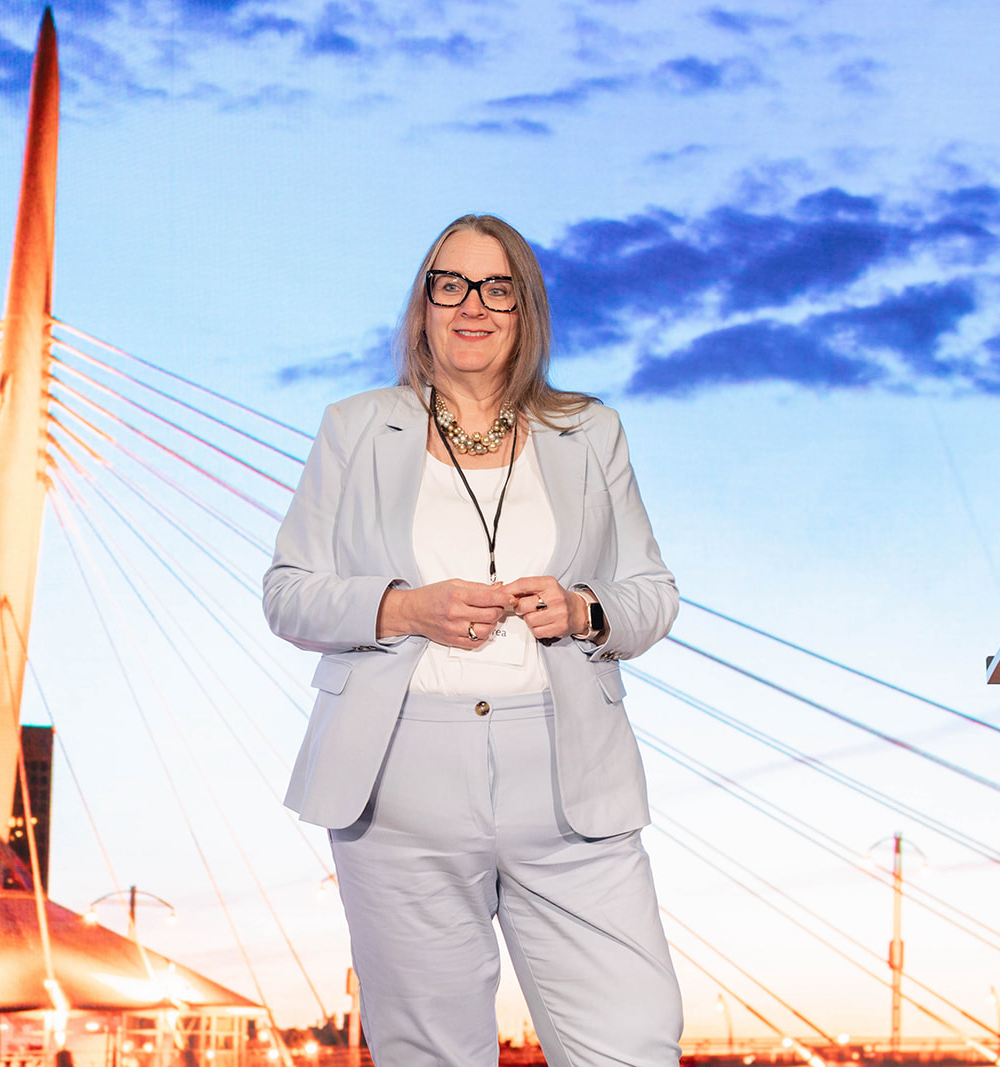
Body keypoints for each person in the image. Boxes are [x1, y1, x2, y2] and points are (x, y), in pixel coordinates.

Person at [263, 214, 683, 1066]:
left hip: (571, 777)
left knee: (632, 1039)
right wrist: (403, 609)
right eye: (447, 284)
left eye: (497, 288)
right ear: (422, 307)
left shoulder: (590, 430)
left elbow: (653, 595)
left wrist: (585, 608)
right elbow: (288, 595)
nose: (472, 306)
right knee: (429, 1052)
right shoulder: (354, 427)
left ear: (525, 311)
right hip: (399, 780)